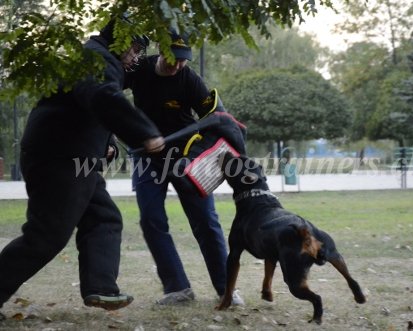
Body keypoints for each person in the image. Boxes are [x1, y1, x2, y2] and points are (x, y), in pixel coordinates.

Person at [0, 16, 165, 320]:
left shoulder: (94, 57)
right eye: (134, 48)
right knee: (46, 236)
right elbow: (103, 97)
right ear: (119, 40)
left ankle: (100, 287)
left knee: (104, 218)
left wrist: (107, 142)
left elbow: (86, 107)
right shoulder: (97, 59)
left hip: (73, 159)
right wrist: (144, 132)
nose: (135, 56)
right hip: (60, 158)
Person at [126, 30, 245, 305]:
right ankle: (177, 288)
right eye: (173, 57)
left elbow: (217, 121)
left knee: (206, 222)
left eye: (183, 59)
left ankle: (225, 288)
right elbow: (108, 99)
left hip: (185, 160)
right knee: (151, 219)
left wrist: (199, 157)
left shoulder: (190, 79)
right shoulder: (139, 70)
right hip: (147, 158)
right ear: (160, 50)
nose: (177, 64)